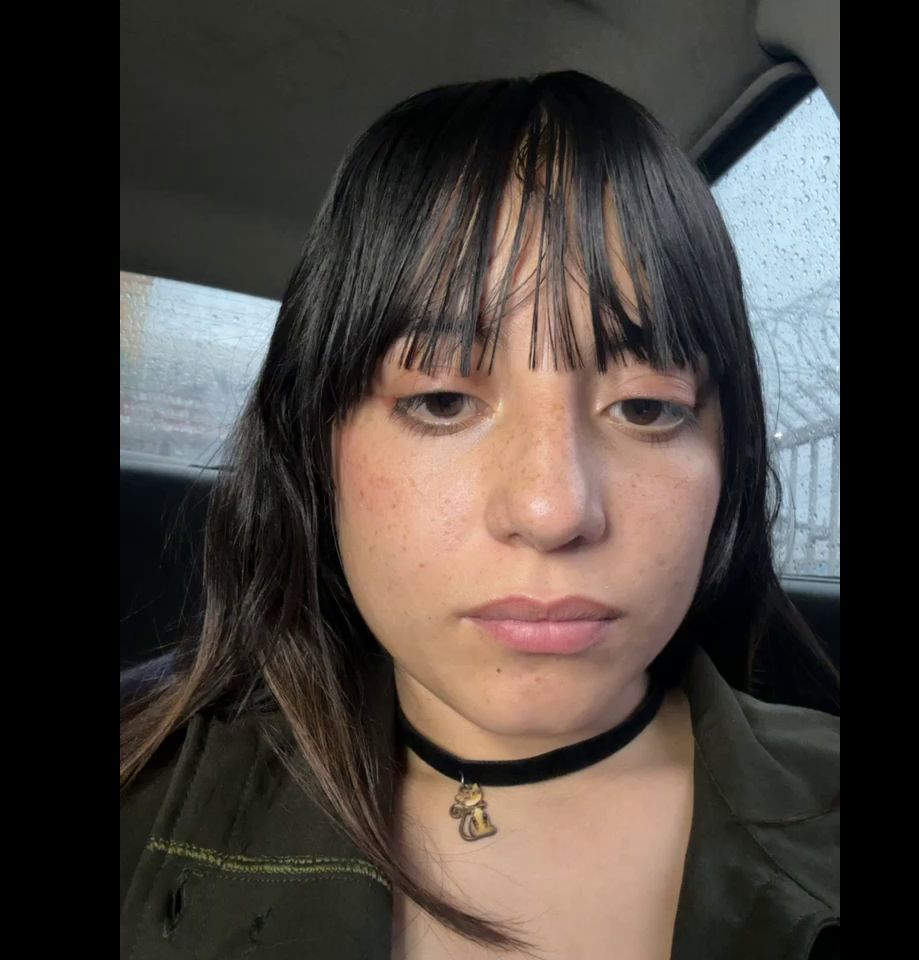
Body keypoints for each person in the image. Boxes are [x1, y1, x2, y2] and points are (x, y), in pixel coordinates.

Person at [120, 71, 839, 960]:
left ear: (729, 458)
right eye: (441, 401)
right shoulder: (148, 805)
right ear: (316, 447)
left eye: (647, 407)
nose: (552, 510)